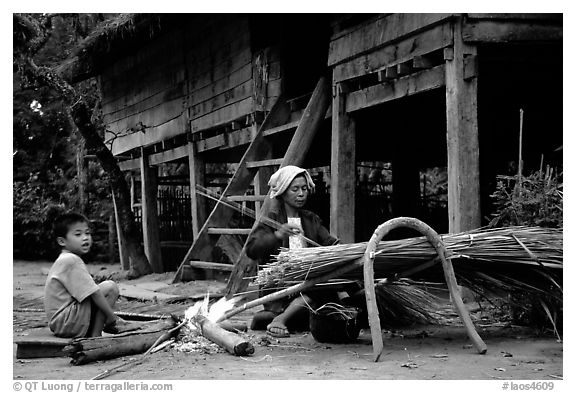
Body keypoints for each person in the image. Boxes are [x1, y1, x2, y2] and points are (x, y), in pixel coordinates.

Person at [246, 165, 349, 338]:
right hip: (281, 290)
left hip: (309, 286)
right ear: (283, 191)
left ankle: (275, 318)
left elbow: (329, 243)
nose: (301, 193)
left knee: (331, 289)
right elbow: (252, 250)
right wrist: (278, 235)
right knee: (320, 293)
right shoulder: (271, 221)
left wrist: (342, 249)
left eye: (304, 188)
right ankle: (280, 319)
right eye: (295, 189)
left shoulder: (311, 220)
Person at [44, 212, 140, 338]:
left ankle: (96, 333)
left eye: (87, 233)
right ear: (62, 241)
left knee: (101, 291)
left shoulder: (65, 259)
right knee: (110, 288)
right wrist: (113, 318)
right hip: (66, 322)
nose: (85, 238)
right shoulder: (71, 260)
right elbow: (94, 292)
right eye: (78, 234)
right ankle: (96, 335)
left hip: (61, 322)